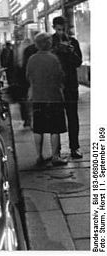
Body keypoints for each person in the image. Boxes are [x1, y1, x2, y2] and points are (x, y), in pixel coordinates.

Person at [26, 32, 68, 167]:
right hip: (54, 96)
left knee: (39, 128)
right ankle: (56, 157)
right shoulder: (54, 59)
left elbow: (28, 76)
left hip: (37, 97)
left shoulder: (32, 59)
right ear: (49, 43)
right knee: (55, 128)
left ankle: (39, 156)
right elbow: (60, 76)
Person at [51, 16, 83, 159]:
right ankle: (56, 151)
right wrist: (56, 50)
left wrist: (71, 51)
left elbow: (78, 62)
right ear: (54, 28)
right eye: (58, 29)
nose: (61, 32)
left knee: (72, 116)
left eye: (63, 29)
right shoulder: (50, 42)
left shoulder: (73, 42)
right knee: (56, 118)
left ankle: (74, 147)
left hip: (70, 85)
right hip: (56, 85)